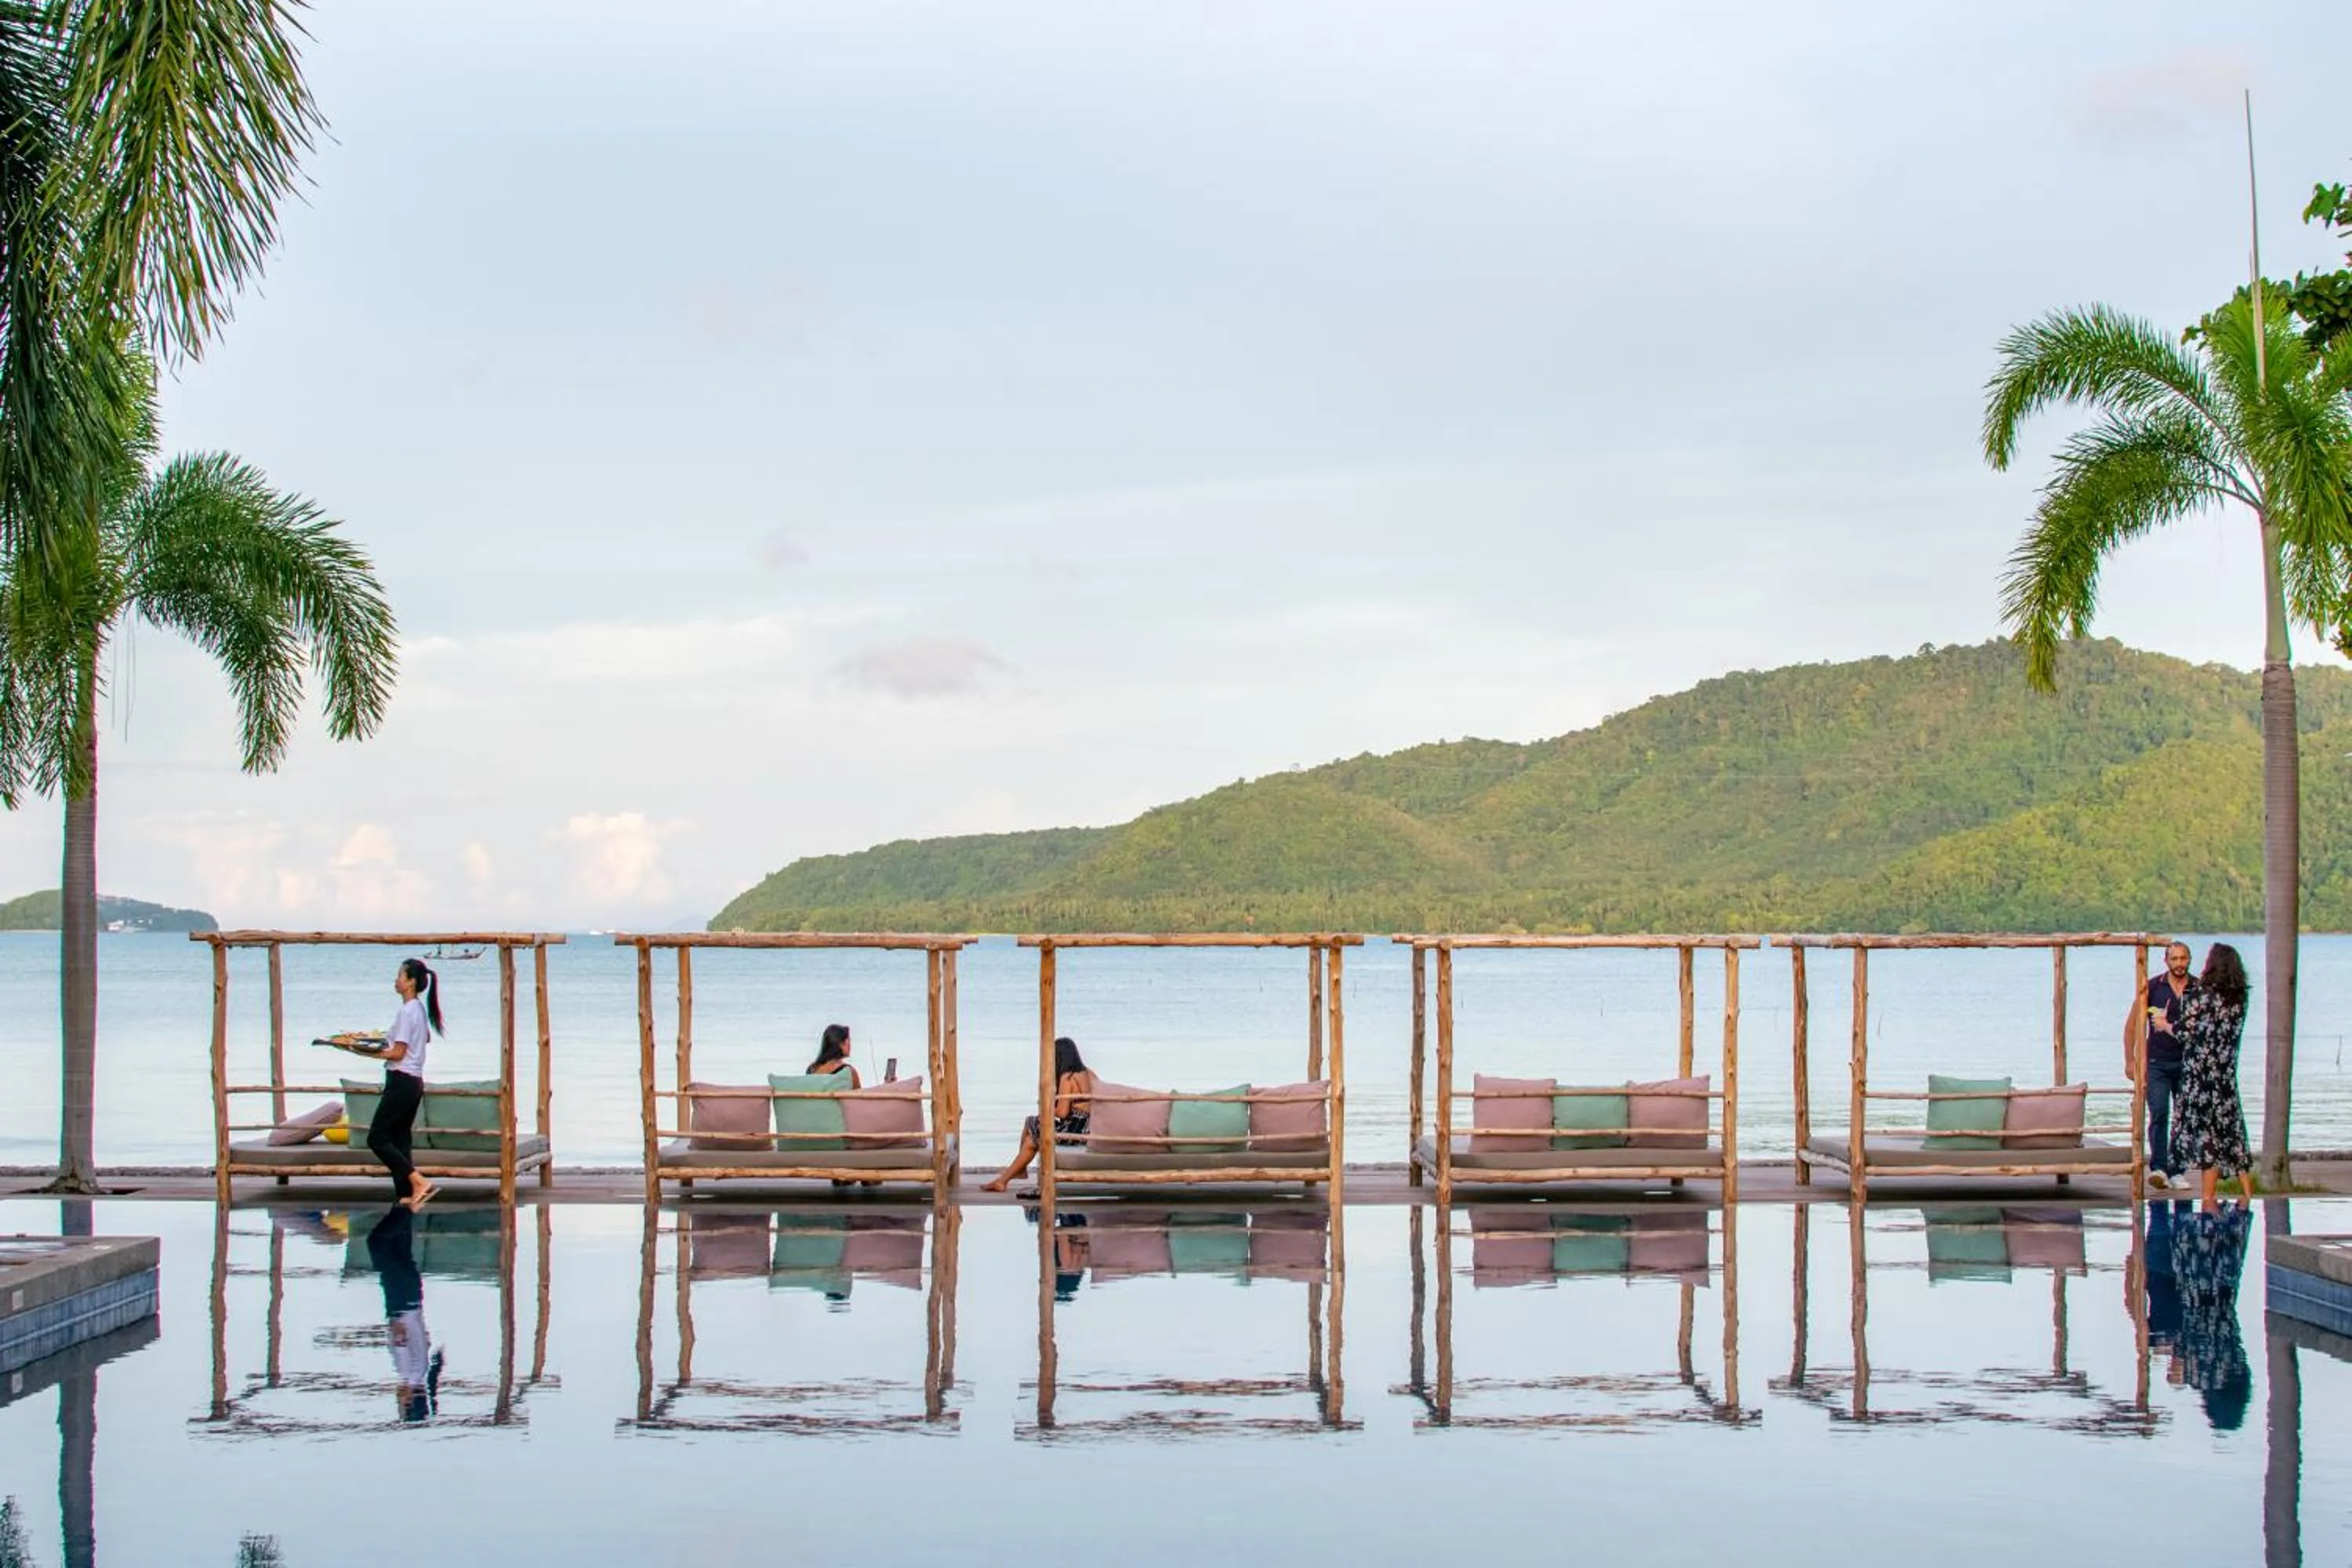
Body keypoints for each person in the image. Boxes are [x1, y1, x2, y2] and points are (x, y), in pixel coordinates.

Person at [2172, 943, 2256, 1207]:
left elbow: (2185, 1032)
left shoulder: (2200, 994)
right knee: (2232, 1130)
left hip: (2201, 1075)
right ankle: (2247, 1192)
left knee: (2208, 1135)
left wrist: (2164, 1025)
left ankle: (2208, 1197)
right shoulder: (2239, 997)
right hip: (2226, 1074)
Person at [360, 958, 442, 1211]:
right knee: (399, 1140)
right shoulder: (418, 1009)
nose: (396, 981)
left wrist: (364, 1052)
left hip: (402, 1079)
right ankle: (406, 1195)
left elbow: (397, 1053)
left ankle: (418, 1181)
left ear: (411, 982)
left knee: (377, 1138)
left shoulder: (407, 1012)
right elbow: (424, 1039)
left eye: (400, 976)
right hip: (414, 1081)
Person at [2126, 942, 2197, 1189]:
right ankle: (2159, 1168)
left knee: (2184, 1116)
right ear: (2166, 961)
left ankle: (2178, 1170)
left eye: (2183, 958)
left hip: (2189, 1062)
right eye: (2174, 959)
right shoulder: (2153, 987)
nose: (2179, 964)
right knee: (2159, 1112)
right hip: (2157, 1062)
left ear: (2189, 960)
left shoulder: (2198, 988)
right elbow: (2132, 1027)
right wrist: (2130, 1060)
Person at [984, 1036, 1094, 1192]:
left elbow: (1062, 1113)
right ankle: (1004, 1180)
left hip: (1072, 1132)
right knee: (1031, 1140)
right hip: (1085, 1129)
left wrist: (1046, 1108)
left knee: (1031, 1122)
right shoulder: (1087, 1073)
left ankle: (1018, 1172)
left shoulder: (1067, 1078)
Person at [367, 1205, 444, 1424]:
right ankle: (407, 1208)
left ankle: (405, 1200)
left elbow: (425, 1339)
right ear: (409, 1402)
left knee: (399, 1244)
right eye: (401, 1406)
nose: (397, 1401)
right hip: (400, 1301)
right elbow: (400, 1337)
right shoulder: (408, 1372)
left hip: (413, 1296)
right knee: (376, 1243)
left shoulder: (422, 1370)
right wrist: (393, 1322)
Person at [807, 1022, 862, 1087]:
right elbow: (859, 1092)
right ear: (842, 1044)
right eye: (849, 1040)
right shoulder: (849, 1072)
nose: (850, 1045)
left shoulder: (812, 1069)